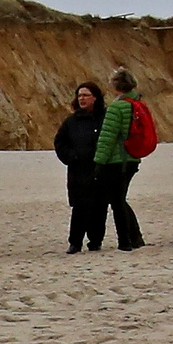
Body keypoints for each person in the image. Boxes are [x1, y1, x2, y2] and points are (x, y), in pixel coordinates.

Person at [92, 66, 147, 251]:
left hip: (117, 160)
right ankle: (135, 237)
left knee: (117, 201)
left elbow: (107, 137)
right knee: (120, 199)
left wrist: (99, 162)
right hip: (132, 158)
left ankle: (126, 241)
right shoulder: (137, 103)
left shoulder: (116, 107)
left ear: (116, 86)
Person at [53, 81, 107, 253]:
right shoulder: (71, 121)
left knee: (99, 206)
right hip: (78, 169)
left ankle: (95, 241)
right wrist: (70, 157)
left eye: (86, 95)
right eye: (79, 95)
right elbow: (60, 142)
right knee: (79, 206)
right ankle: (75, 242)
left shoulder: (105, 118)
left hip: (100, 168)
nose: (82, 98)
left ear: (95, 98)